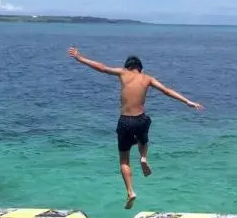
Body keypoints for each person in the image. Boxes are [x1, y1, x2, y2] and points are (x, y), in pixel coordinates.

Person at [68, 47, 203, 208]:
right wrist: (188, 102)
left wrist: (79, 58)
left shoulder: (122, 73)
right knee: (143, 140)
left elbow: (101, 68)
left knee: (124, 160)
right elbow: (167, 91)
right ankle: (143, 157)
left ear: (127, 67)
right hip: (141, 120)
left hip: (125, 121)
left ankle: (130, 191)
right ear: (141, 68)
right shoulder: (147, 78)